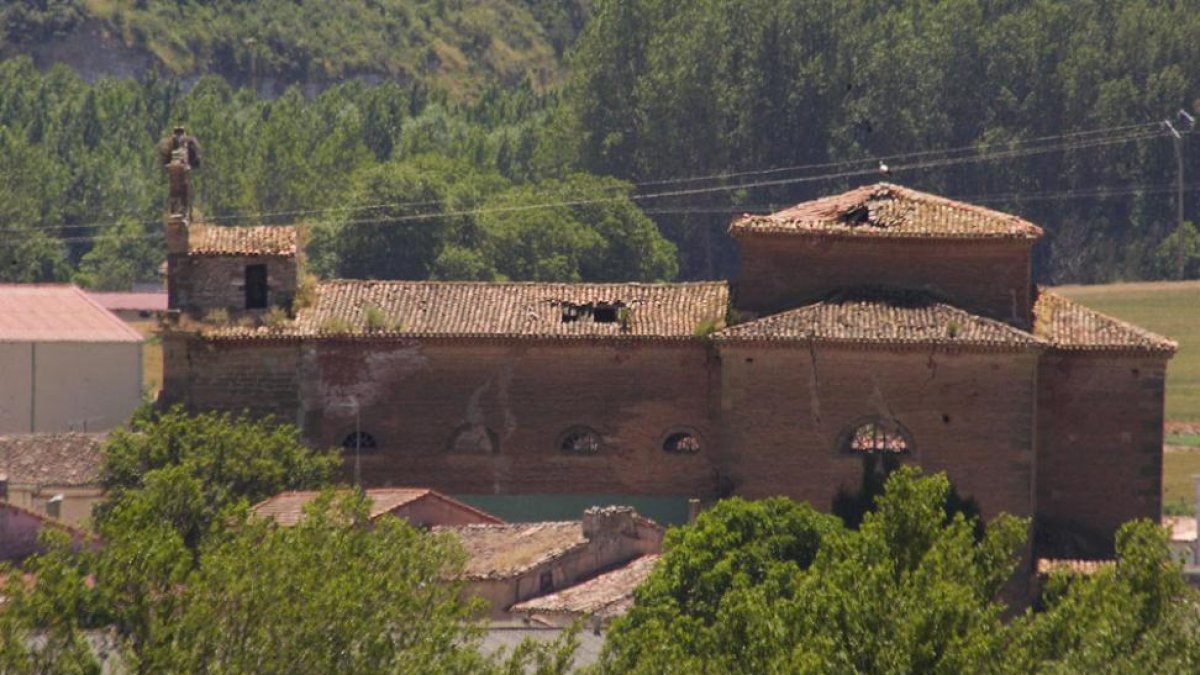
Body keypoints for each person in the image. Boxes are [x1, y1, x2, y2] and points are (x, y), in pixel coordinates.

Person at [159, 126, 201, 220]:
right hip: (183, 170)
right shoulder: (189, 141)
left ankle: (177, 211)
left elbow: (164, 158)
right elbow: (196, 158)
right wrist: (193, 166)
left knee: (175, 191)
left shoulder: (168, 142)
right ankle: (184, 212)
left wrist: (166, 166)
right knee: (184, 190)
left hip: (175, 170)